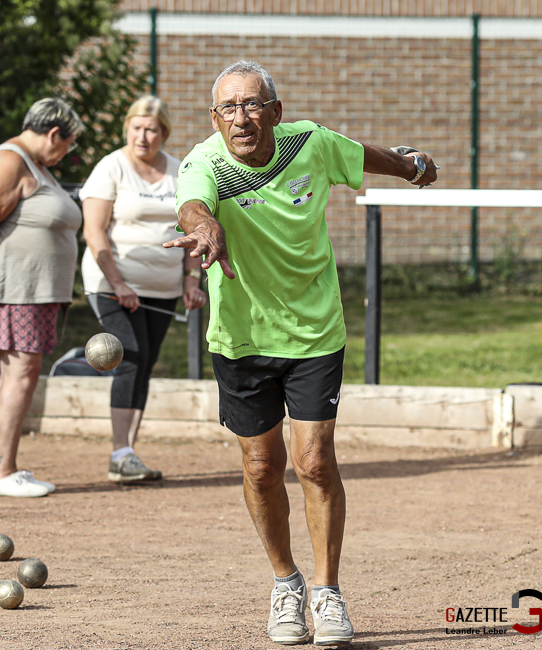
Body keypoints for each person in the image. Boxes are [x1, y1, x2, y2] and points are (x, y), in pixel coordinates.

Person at [164, 60, 438, 646]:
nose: (242, 118)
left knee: (314, 461)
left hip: (315, 331)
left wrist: (410, 165)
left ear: (276, 111)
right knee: (262, 468)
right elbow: (192, 205)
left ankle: (326, 590)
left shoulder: (308, 143)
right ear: (215, 119)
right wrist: (205, 228)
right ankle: (284, 583)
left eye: (254, 104)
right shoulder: (203, 162)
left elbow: (362, 155)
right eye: (230, 108)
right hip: (241, 339)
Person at [0, 98, 84, 498]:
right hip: (15, 289)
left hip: (32, 291)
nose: (66, 154)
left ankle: (4, 467)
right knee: (20, 372)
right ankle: (1, 471)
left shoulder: (34, 164)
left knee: (21, 373)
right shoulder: (9, 161)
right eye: (68, 145)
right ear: (53, 134)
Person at [80, 96, 207, 483]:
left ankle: (128, 453)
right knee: (128, 356)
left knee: (145, 364)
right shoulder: (111, 167)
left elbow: (190, 228)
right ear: (127, 130)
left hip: (163, 288)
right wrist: (118, 283)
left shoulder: (178, 169)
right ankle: (120, 452)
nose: (143, 135)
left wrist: (191, 279)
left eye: (151, 128)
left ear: (163, 132)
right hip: (111, 283)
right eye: (136, 127)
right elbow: (93, 230)